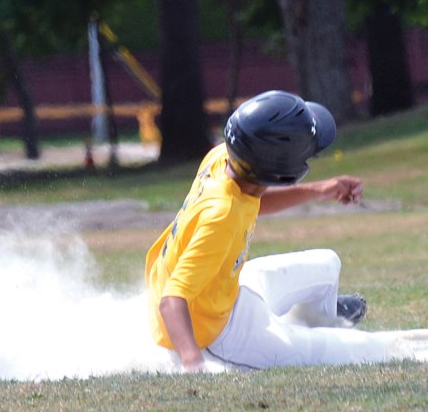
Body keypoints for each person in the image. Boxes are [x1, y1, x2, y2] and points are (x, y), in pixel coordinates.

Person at [145, 90, 428, 373]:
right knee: (364, 349)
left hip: (227, 294)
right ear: (282, 171)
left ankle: (319, 322)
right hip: (215, 334)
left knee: (327, 264)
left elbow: (250, 201)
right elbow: (172, 300)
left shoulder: (225, 157)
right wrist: (193, 362)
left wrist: (319, 189)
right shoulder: (220, 216)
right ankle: (322, 336)